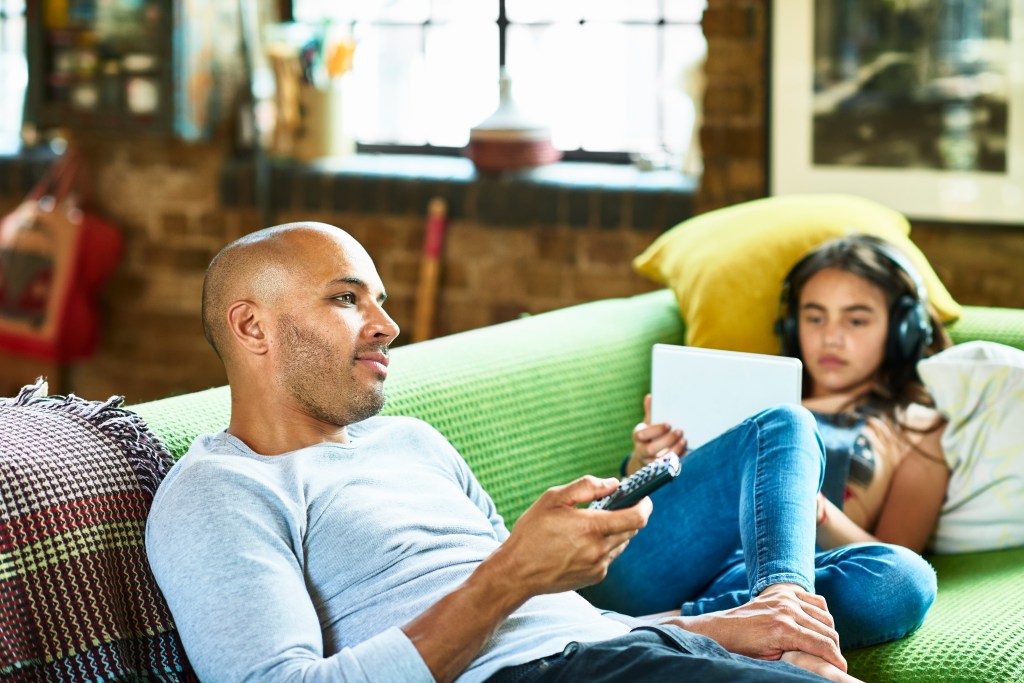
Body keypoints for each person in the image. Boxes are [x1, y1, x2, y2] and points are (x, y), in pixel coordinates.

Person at [146, 222, 861, 683]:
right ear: (252, 327)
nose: (387, 325)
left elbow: (558, 617)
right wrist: (513, 570)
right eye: (346, 299)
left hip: (624, 650)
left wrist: (708, 628)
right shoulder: (219, 489)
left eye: (381, 301)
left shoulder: (413, 441)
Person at [587, 234, 942, 650]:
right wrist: (643, 461)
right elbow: (655, 508)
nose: (831, 337)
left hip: (749, 577)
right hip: (664, 555)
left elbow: (894, 550)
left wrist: (814, 511)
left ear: (901, 330)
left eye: (856, 320)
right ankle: (780, 607)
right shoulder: (759, 397)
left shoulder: (916, 430)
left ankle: (663, 627)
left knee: (904, 581)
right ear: (793, 326)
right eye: (814, 318)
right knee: (789, 422)